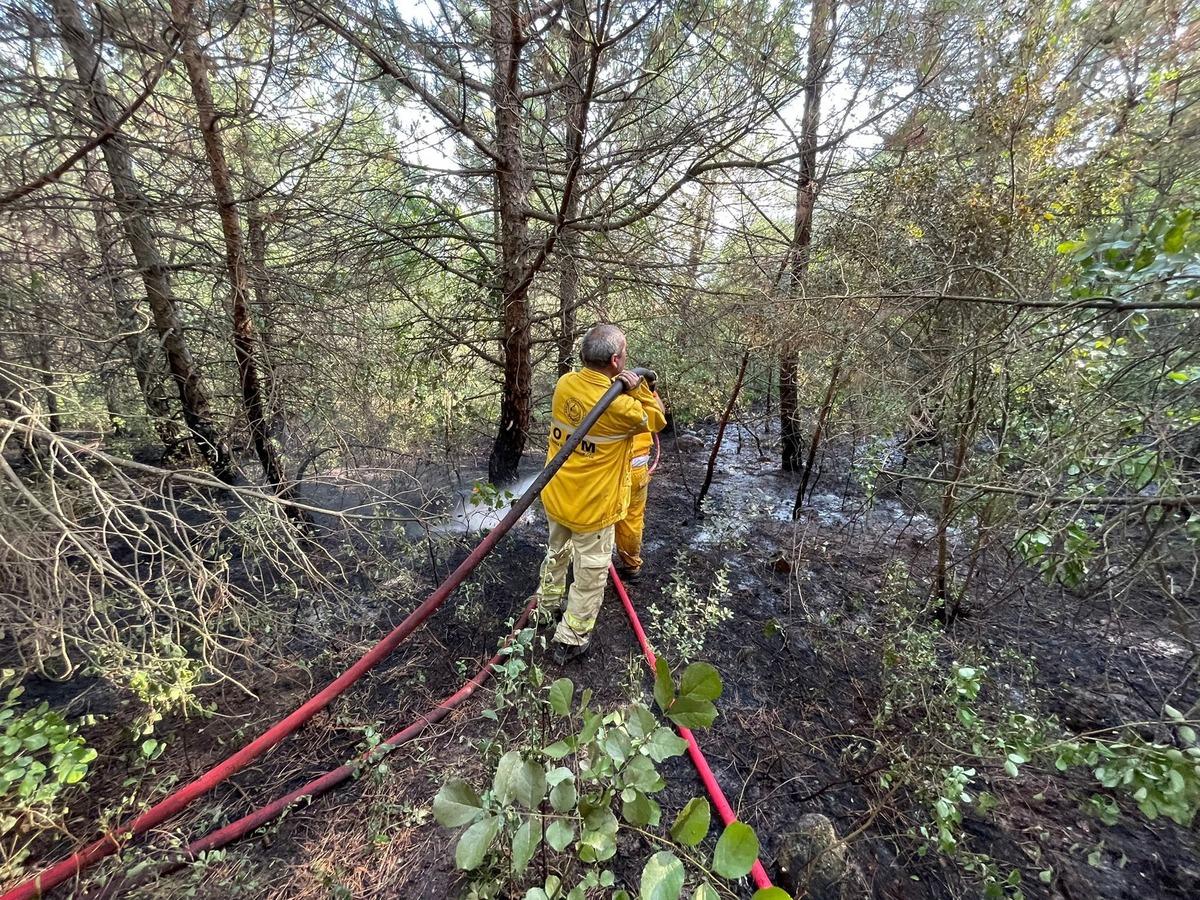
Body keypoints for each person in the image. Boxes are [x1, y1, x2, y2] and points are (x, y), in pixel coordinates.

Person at [537, 324, 667, 664]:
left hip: (557, 494)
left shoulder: (565, 384)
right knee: (591, 573)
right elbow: (655, 420)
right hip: (591, 509)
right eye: (623, 355)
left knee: (555, 554)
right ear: (615, 360)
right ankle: (572, 637)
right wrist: (638, 389)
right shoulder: (622, 409)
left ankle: (545, 608)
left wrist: (617, 386)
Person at [614, 373, 665, 581]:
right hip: (639, 468)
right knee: (632, 518)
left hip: (617, 467)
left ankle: (595, 560)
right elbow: (660, 413)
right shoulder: (643, 393)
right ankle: (631, 565)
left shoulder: (614, 394)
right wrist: (649, 390)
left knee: (605, 513)